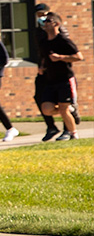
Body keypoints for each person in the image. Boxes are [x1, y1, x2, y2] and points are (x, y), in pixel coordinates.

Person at [36, 9, 81, 141]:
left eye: (48, 21)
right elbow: (45, 57)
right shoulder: (44, 42)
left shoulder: (63, 40)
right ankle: (70, 110)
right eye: (44, 21)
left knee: (63, 108)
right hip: (51, 80)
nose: (45, 23)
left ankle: (73, 133)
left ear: (56, 24)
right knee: (46, 109)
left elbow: (78, 57)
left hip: (65, 79)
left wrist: (60, 57)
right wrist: (42, 66)